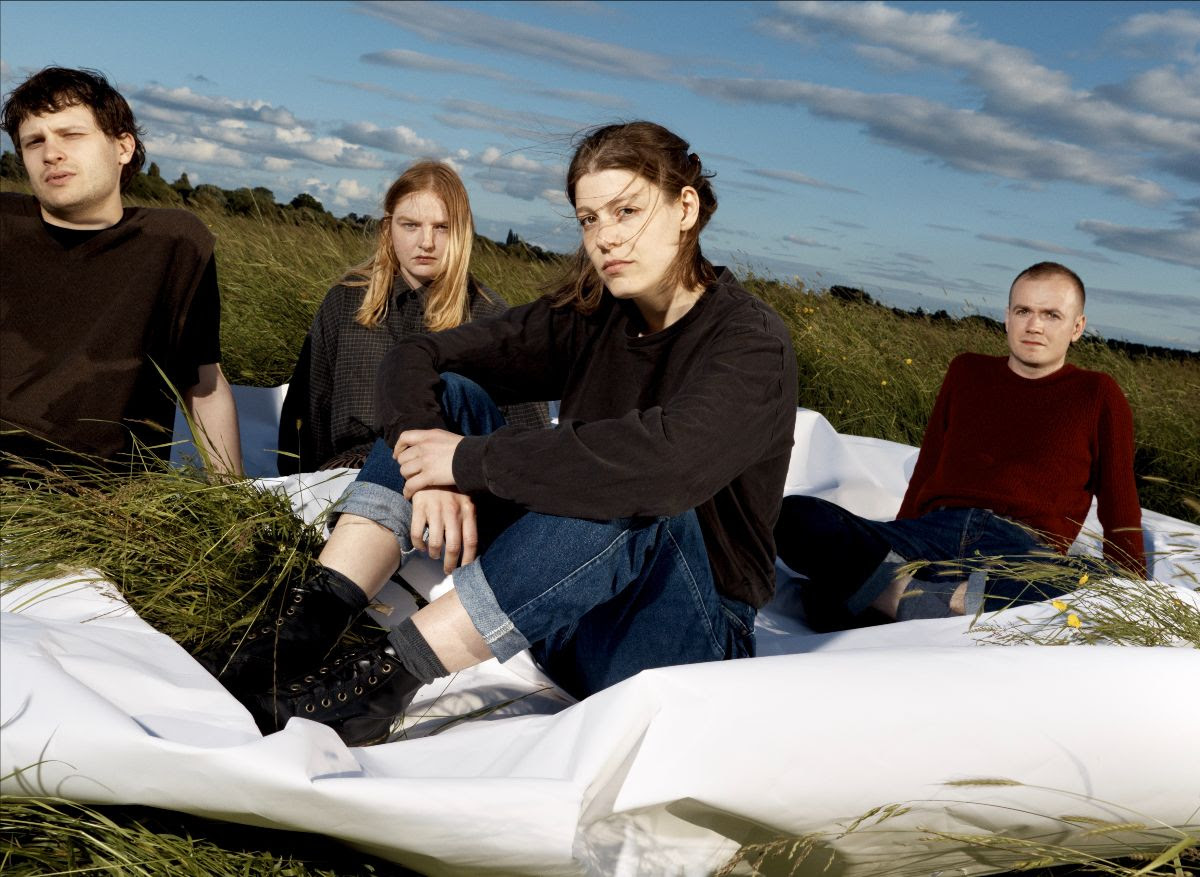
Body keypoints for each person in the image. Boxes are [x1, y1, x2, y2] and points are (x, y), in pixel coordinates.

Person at [202, 120, 799, 746]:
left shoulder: (750, 342)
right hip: (560, 617)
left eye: (627, 210)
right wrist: (429, 467)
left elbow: (665, 467)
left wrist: (467, 462)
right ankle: (303, 630)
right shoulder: (591, 315)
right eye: (589, 219)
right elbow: (416, 358)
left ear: (686, 208)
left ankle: (374, 684)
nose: (606, 237)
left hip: (679, 640)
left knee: (629, 485)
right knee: (453, 396)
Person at [774, 261, 1145, 631]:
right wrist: (892, 549)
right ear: (1007, 317)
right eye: (1023, 311)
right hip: (933, 532)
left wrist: (1138, 597)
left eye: (1051, 315)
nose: (1034, 325)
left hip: (1019, 552)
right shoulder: (967, 371)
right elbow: (926, 471)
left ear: (1077, 327)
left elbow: (1121, 510)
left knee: (1098, 582)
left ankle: (888, 600)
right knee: (793, 515)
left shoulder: (1098, 394)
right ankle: (934, 600)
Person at [0, 67, 242, 476]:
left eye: (71, 134)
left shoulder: (175, 243)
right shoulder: (5, 224)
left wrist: (233, 498)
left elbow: (204, 385)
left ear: (123, 147)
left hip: (102, 492)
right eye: (34, 141)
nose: (50, 153)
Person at [279, 160, 548, 474]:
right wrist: (297, 490)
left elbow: (529, 438)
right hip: (346, 473)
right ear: (388, 228)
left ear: (462, 233)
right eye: (411, 225)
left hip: (444, 478)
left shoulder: (491, 316)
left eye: (442, 227)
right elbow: (307, 410)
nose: (426, 242)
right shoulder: (347, 300)